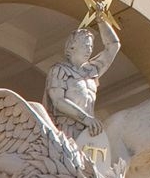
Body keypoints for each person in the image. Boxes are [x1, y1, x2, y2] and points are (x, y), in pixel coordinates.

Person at [45, 10, 121, 150]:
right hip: (65, 128)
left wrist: (101, 21)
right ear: (72, 46)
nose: (90, 49)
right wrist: (86, 118)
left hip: (87, 131)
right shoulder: (59, 70)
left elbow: (113, 46)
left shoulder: (91, 71)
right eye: (86, 45)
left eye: (91, 46)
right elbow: (58, 101)